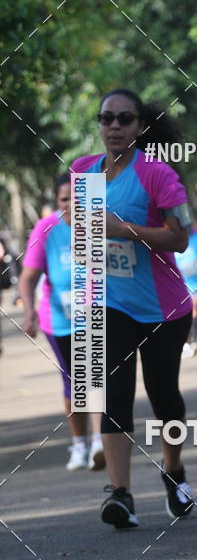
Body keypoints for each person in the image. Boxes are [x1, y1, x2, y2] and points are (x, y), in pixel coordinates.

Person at [70, 89, 195, 528]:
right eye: (107, 118)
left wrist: (125, 230)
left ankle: (173, 470)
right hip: (108, 301)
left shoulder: (157, 174)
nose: (115, 126)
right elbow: (83, 236)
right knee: (112, 394)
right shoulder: (83, 171)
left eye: (125, 119)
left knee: (165, 397)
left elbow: (180, 238)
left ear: (140, 126)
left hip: (163, 308)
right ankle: (120, 493)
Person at [19, 174, 104, 471]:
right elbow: (28, 277)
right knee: (73, 382)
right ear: (57, 201)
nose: (72, 205)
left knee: (93, 376)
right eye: (65, 199)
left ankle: (99, 442)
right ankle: (79, 443)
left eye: (78, 199)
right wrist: (29, 312)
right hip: (58, 320)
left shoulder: (101, 224)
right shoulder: (46, 228)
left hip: (96, 316)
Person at [175, 223, 197, 357]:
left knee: (195, 311)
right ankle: (186, 342)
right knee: (184, 314)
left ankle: (193, 341)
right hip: (179, 284)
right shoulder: (173, 238)